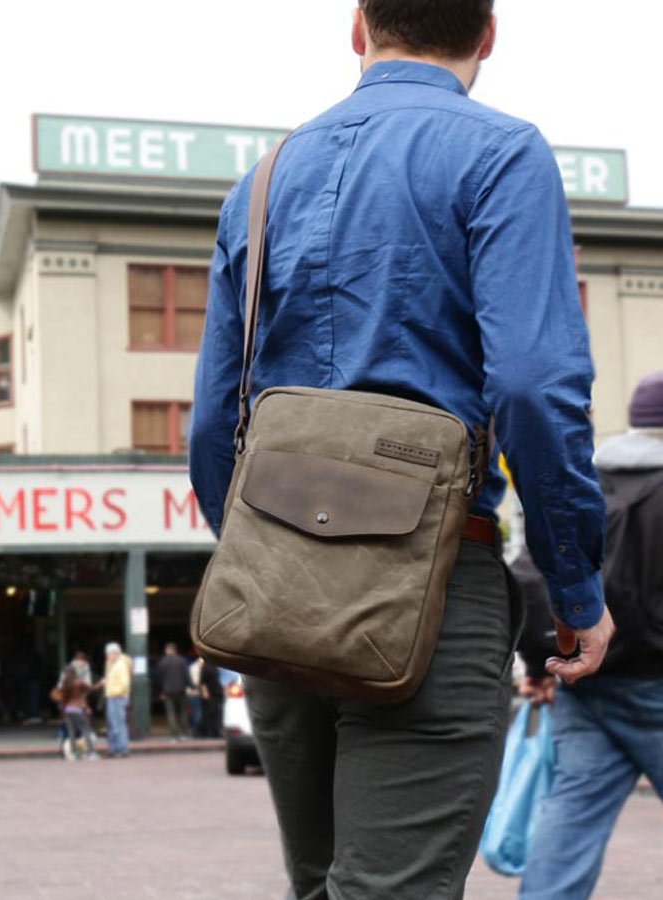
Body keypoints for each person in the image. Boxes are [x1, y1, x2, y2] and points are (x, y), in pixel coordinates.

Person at [187, 3, 615, 896]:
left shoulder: (262, 181)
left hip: (277, 589)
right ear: (488, 36)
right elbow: (534, 388)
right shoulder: (502, 153)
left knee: (324, 885)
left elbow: (212, 423)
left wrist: (264, 561)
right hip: (430, 584)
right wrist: (574, 585)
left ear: (358, 27)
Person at [516, 371, 663, 900]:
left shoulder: (585, 480)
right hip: (654, 683)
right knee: (574, 807)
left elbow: (533, 572)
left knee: (574, 812)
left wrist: (540, 665)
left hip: (587, 682)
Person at [59, 664, 99, 760]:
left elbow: (62, 700)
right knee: (86, 730)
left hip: (68, 710)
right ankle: (91, 753)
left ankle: (73, 754)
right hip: (78, 709)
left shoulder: (64, 684)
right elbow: (92, 688)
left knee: (71, 732)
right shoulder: (79, 682)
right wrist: (101, 683)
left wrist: (63, 713)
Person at [101, 642, 131, 758]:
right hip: (113, 697)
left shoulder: (120, 665)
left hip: (117, 697)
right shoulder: (113, 664)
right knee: (114, 723)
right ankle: (114, 748)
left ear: (115, 653)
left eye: (108, 654)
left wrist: (112, 689)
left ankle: (121, 748)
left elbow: (124, 684)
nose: (107, 656)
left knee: (118, 724)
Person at [156, 642, 191, 740]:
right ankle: (184, 734)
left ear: (167, 650)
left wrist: (160, 691)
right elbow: (186, 676)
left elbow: (159, 678)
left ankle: (174, 735)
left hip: (167, 691)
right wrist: (190, 687)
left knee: (171, 713)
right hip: (181, 690)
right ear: (175, 650)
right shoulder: (182, 661)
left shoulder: (162, 662)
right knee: (183, 712)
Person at [199, 658, 224, 739]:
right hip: (211, 693)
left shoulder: (215, 666)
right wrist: (205, 692)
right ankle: (210, 732)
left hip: (217, 693)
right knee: (210, 713)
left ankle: (215, 731)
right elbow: (202, 682)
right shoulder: (206, 667)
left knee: (216, 713)